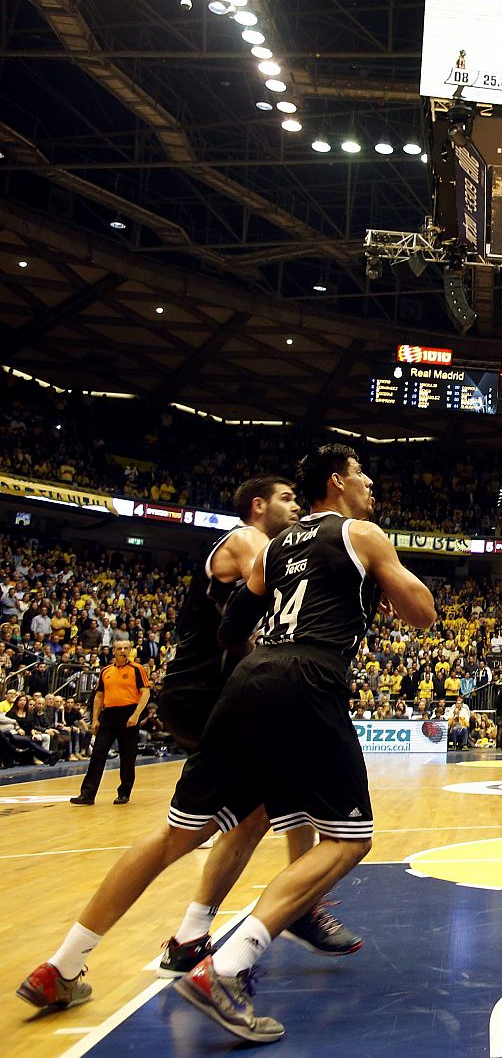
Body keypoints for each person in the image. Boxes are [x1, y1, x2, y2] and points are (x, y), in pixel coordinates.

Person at [17, 445, 438, 1038]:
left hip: (246, 682)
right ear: (338, 483)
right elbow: (421, 613)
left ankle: (62, 966)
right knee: (349, 840)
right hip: (309, 676)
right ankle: (229, 966)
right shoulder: (362, 533)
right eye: (365, 476)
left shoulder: (275, 548)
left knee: (179, 834)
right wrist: (386, 583)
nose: (372, 486)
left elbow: (233, 625)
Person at [147, 477, 362, 978]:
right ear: (258, 505)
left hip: (220, 694)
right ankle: (286, 914)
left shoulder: (267, 548)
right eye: (286, 499)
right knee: (186, 832)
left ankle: (189, 938)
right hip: (209, 694)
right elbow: (268, 588)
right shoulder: (253, 542)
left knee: (260, 811)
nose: (295, 507)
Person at [70, 641, 149, 805]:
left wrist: (136, 715)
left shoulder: (137, 669)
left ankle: (124, 792)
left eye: (126, 648)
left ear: (130, 650)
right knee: (97, 754)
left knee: (127, 757)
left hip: (129, 714)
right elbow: (99, 696)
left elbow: (145, 693)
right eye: (119, 648)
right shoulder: (105, 670)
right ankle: (87, 794)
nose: (122, 651)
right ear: (113, 651)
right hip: (109, 715)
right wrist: (95, 719)